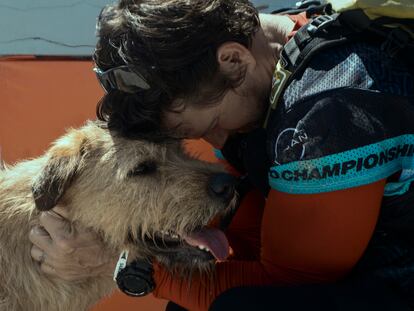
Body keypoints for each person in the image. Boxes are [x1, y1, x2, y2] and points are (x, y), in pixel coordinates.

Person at [29, 0, 414, 310]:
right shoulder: (270, 42)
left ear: (234, 60)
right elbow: (252, 218)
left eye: (211, 125)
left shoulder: (329, 113)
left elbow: (288, 283)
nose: (218, 142)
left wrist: (131, 267)